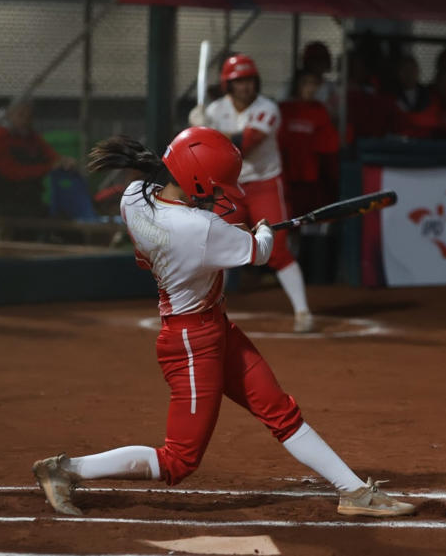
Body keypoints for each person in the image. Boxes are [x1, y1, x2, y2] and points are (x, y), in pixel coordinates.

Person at [31, 126, 416, 519]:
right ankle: (65, 470)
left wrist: (234, 234)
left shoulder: (134, 197)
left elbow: (205, 226)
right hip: (192, 344)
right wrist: (263, 229)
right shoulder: (200, 230)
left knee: (279, 410)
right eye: (214, 187)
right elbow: (260, 251)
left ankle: (352, 490)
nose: (217, 195)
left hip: (212, 328)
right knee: (179, 460)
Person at [189, 54, 315, 333]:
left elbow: (243, 145)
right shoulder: (215, 110)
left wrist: (208, 129)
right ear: (228, 85)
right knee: (219, 249)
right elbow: (201, 152)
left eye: (249, 81)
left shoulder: (267, 109)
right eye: (238, 82)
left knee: (276, 249)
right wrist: (197, 130)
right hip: (230, 189)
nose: (245, 87)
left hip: (264, 184)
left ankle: (303, 311)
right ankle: (206, 310)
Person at [279, 69, 340, 283]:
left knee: (312, 225)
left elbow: (328, 147)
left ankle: (313, 275)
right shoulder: (284, 109)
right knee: (287, 226)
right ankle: (283, 275)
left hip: (311, 178)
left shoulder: (320, 111)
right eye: (306, 83)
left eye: (314, 84)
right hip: (287, 177)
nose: (310, 89)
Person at [0, 100, 77, 218]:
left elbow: (49, 153)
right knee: (53, 219)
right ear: (8, 116)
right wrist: (48, 168)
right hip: (4, 202)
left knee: (65, 216)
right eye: (21, 115)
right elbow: (14, 172)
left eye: (29, 116)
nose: (26, 120)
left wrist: (63, 161)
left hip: (29, 200)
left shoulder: (29, 136)